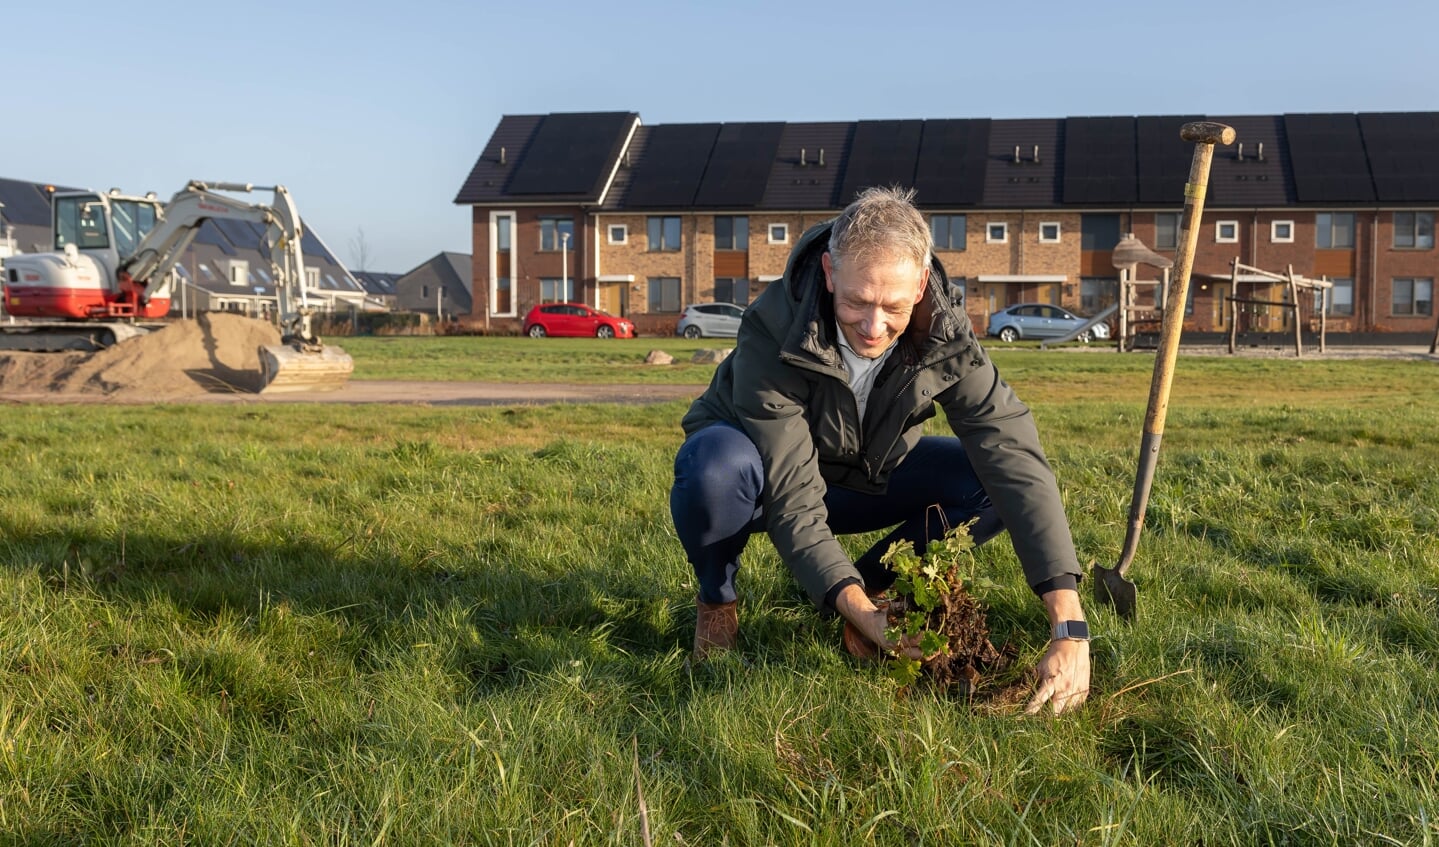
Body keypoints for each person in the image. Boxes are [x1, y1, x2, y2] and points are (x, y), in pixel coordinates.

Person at [669, 186, 1090, 715]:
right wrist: (862, 616)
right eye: (855, 303)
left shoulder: (946, 333)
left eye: (892, 306)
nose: (873, 328)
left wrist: (1069, 624)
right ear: (828, 273)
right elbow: (793, 496)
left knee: (986, 482)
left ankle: (865, 597)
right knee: (712, 469)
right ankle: (718, 601)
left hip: (867, 476)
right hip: (757, 480)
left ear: (919, 287)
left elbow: (1011, 451)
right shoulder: (772, 328)